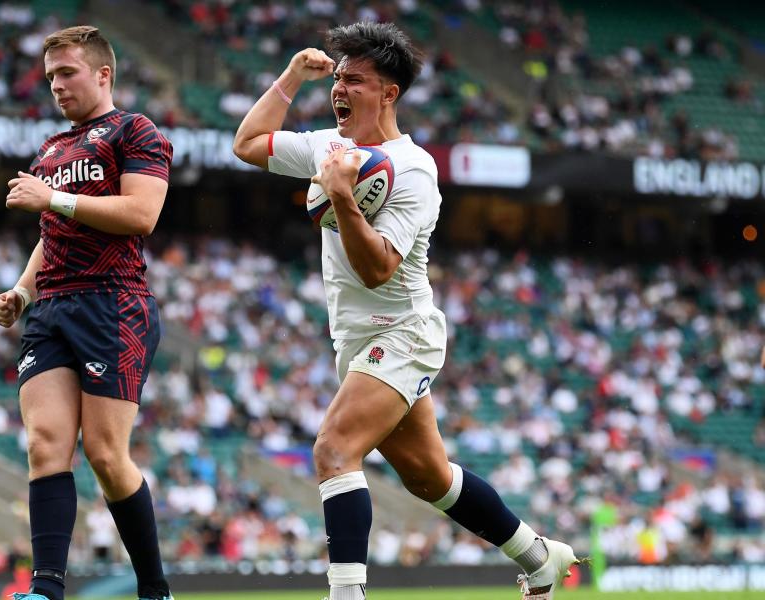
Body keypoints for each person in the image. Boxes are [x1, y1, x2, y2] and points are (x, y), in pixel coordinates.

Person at [232, 22, 581, 600]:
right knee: (428, 476)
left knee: (334, 449)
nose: (340, 89)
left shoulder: (414, 170)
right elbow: (246, 144)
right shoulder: (329, 147)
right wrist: (293, 77)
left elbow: (377, 270)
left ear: (389, 93)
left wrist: (341, 196)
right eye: (339, 78)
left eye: (356, 81)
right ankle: (540, 556)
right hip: (355, 338)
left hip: (402, 333)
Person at [0, 25, 174, 600]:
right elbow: (53, 232)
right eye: (50, 78)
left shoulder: (135, 131)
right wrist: (22, 291)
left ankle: (153, 589)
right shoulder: (50, 149)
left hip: (112, 302)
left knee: (104, 454)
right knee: (45, 443)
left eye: (66, 73)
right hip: (52, 309)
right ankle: (46, 590)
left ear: (102, 73)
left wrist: (55, 198)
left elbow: (142, 214)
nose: (57, 87)